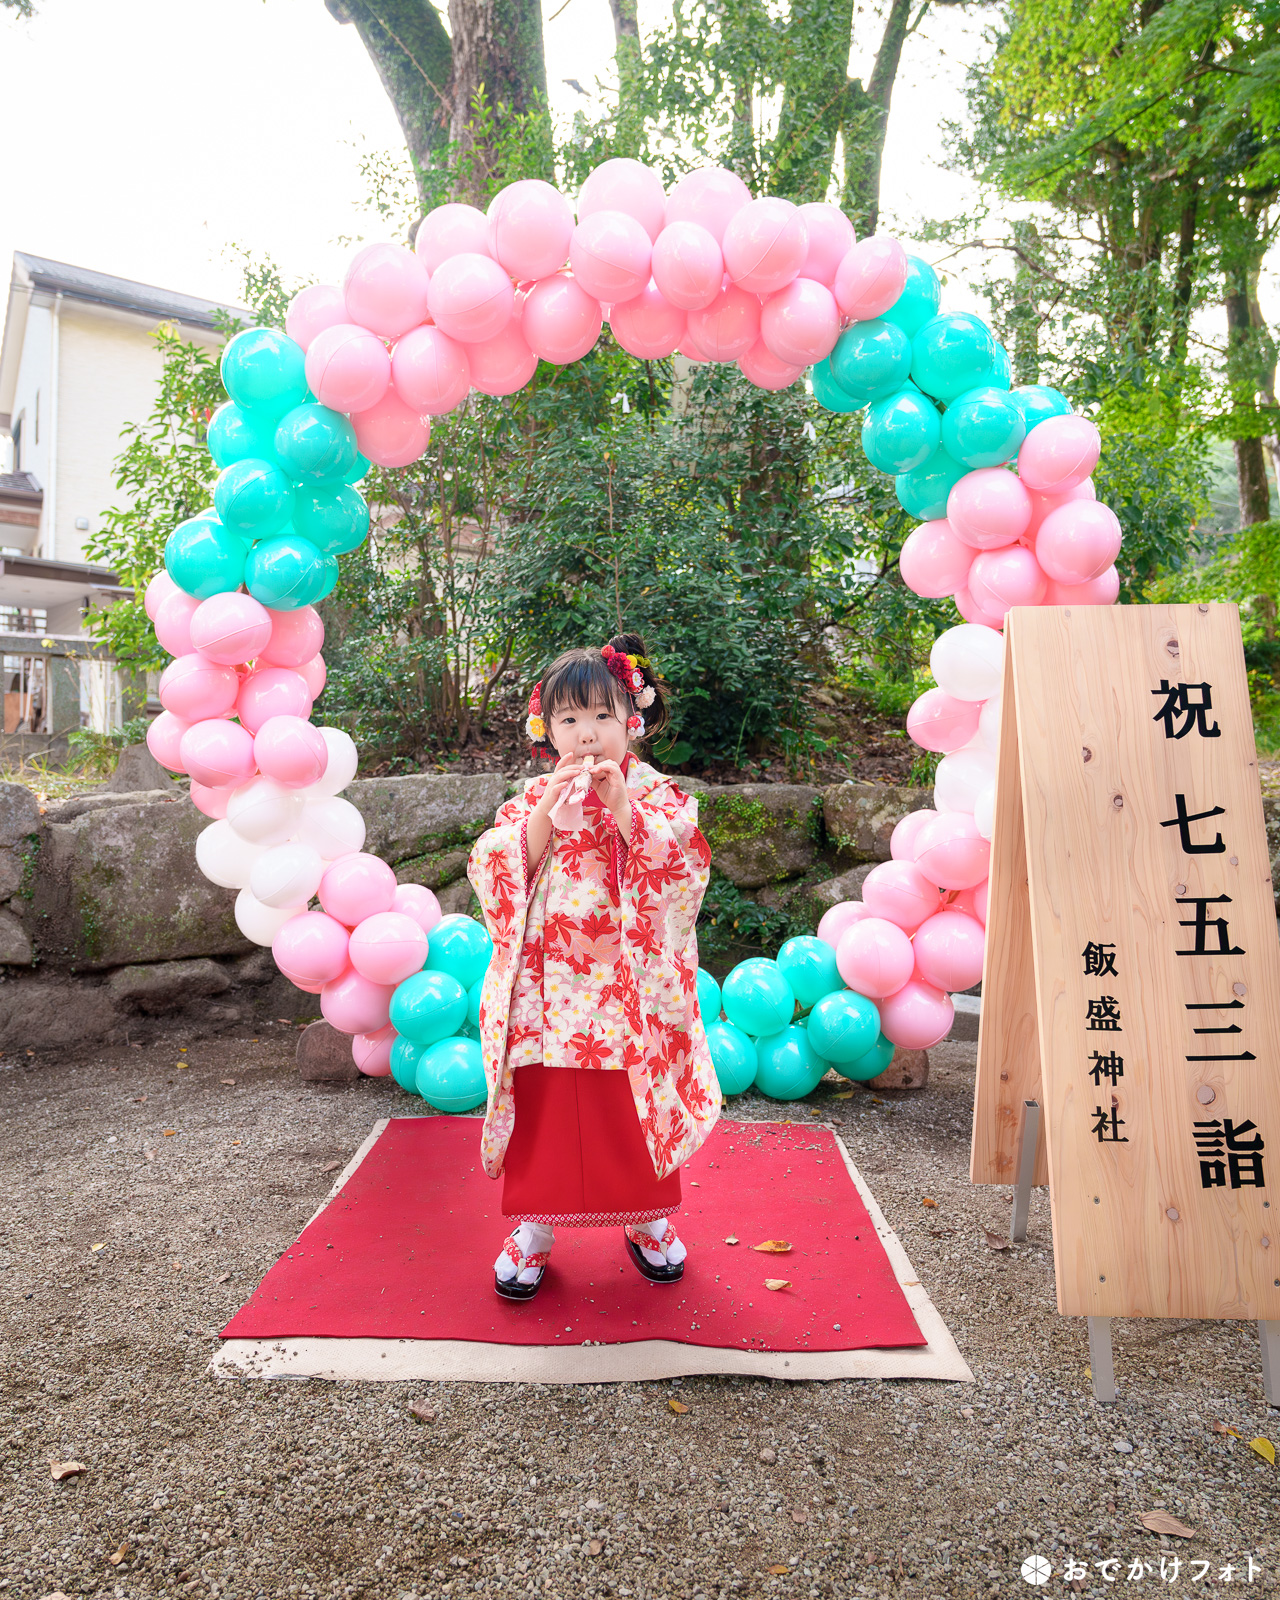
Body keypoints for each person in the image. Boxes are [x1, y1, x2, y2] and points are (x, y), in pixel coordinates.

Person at [467, 633, 720, 1299]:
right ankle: (537, 1227)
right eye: (569, 720)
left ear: (631, 723)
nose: (586, 735)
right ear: (546, 730)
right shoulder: (533, 796)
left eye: (602, 718)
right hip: (546, 982)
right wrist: (550, 807)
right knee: (547, 1100)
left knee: (626, 1101)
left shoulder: (656, 794)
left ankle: (644, 1218)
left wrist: (622, 809)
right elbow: (495, 866)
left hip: (623, 984)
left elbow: (682, 868)